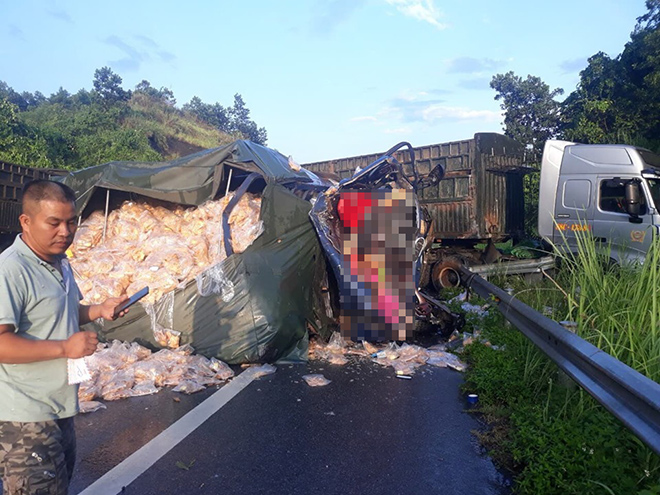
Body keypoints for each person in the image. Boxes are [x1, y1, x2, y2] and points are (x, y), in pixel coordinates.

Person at [0, 179, 128, 495]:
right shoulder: (10, 270)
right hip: (23, 417)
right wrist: (65, 347)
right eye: (54, 223)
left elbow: (66, 311)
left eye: (72, 222)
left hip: (59, 407)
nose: (65, 231)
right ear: (26, 222)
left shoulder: (60, 262)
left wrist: (99, 310)